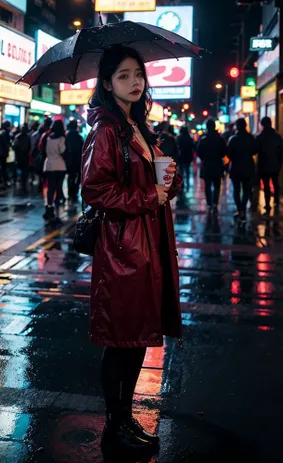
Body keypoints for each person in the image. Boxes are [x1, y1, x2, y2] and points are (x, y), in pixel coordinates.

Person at [81, 46, 182, 454]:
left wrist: (169, 181)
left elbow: (156, 190)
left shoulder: (135, 126)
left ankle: (125, 419)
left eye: (138, 74)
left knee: (137, 338)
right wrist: (147, 194)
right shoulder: (106, 129)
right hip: (123, 249)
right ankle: (115, 425)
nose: (134, 82)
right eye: (123, 76)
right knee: (121, 341)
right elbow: (95, 188)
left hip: (146, 244)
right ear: (107, 84)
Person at [228, 118, 257, 219]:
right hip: (248, 166)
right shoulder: (250, 138)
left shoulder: (233, 139)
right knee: (246, 189)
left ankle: (239, 209)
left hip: (236, 167)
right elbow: (254, 151)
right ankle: (243, 208)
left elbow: (229, 153)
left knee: (236, 190)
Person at [255, 116, 283, 215]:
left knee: (266, 185)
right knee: (275, 183)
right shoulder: (277, 136)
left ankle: (268, 203)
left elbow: (255, 150)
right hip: (275, 164)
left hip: (263, 165)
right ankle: (276, 200)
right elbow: (282, 151)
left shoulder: (260, 137)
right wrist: (280, 162)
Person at [197, 119, 227, 210]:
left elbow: (198, 151)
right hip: (217, 164)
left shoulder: (203, 139)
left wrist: (204, 158)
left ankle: (209, 203)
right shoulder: (220, 139)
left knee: (208, 185)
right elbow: (224, 151)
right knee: (217, 185)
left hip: (207, 165)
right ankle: (215, 203)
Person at [43, 120, 67, 220]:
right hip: (60, 165)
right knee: (58, 187)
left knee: (51, 188)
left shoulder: (48, 138)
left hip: (49, 165)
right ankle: (57, 210)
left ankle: (49, 207)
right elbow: (63, 151)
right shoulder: (61, 139)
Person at [65, 119, 84, 201]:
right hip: (78, 161)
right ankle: (75, 192)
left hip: (69, 160)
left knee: (70, 177)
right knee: (77, 177)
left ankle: (70, 192)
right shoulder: (79, 137)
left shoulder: (66, 137)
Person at [14, 124, 32, 192]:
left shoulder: (18, 137)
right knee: (25, 170)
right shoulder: (28, 137)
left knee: (19, 169)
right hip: (25, 156)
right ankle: (23, 181)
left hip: (19, 156)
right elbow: (29, 147)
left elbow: (15, 146)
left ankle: (19, 180)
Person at [0, 121, 12, 187]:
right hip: (3, 152)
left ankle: (0, 178)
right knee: (4, 166)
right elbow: (6, 143)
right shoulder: (5, 132)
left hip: (0, 151)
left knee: (2, 165)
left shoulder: (1, 132)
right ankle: (5, 180)